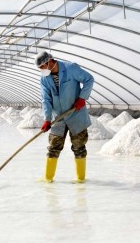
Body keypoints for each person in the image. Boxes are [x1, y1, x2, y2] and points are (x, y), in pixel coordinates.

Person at [35, 51, 94, 183]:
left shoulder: (70, 68)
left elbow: (89, 79)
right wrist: (47, 118)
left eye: (42, 67)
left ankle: (80, 179)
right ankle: (48, 178)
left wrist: (82, 98)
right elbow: (46, 99)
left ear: (49, 61)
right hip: (58, 118)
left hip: (76, 114)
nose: (41, 71)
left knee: (79, 147)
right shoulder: (44, 78)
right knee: (53, 147)